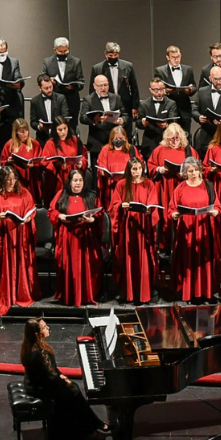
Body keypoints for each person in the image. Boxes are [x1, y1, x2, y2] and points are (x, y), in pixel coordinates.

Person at [20, 318, 110, 440]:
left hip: (33, 383)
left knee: (73, 388)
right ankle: (89, 428)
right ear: (37, 334)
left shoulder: (29, 347)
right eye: (44, 327)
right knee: (74, 391)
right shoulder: (40, 353)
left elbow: (49, 371)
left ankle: (93, 423)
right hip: (40, 388)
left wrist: (61, 376)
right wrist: (64, 381)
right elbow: (50, 378)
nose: (48, 328)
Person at [0, 166, 41, 316]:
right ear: (2, 180)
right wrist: (0, 216)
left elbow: (32, 209)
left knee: (21, 264)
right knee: (6, 266)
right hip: (5, 237)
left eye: (14, 178)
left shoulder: (24, 192)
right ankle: (7, 294)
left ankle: (21, 293)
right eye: (8, 179)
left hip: (20, 235)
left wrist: (28, 218)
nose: (11, 182)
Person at [169, 157, 221, 303]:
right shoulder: (180, 188)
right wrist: (175, 214)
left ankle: (206, 291)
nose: (193, 174)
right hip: (187, 231)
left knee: (204, 260)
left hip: (204, 229)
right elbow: (172, 208)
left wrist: (215, 212)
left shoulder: (208, 186)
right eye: (190, 171)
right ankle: (190, 292)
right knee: (189, 261)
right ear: (185, 172)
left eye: (196, 170)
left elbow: (217, 206)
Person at [49, 170, 102, 306]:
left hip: (85, 237)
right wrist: (60, 216)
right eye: (75, 180)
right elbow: (51, 211)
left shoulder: (91, 197)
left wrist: (92, 220)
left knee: (86, 266)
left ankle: (85, 296)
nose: (78, 183)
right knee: (68, 266)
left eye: (80, 180)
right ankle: (70, 295)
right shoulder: (62, 194)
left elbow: (100, 215)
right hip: (68, 236)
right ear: (70, 182)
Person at [110, 158, 158, 304]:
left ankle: (143, 293)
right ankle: (128, 293)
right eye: (134, 169)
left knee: (143, 258)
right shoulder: (122, 184)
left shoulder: (149, 184)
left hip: (143, 227)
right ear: (129, 170)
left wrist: (149, 210)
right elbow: (113, 205)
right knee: (128, 258)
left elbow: (153, 203)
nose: (137, 172)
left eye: (139, 168)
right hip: (128, 227)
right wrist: (121, 206)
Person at [147, 123, 199, 250]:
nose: (175, 141)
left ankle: (183, 243)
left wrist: (185, 174)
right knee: (165, 216)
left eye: (177, 138)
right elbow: (150, 165)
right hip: (165, 187)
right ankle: (165, 245)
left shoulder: (189, 151)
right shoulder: (159, 150)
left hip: (183, 187)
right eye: (171, 138)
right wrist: (158, 169)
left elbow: (197, 168)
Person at [89, 41, 140, 128]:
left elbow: (134, 88)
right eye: (111, 56)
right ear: (106, 54)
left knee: (126, 132)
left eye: (115, 55)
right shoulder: (97, 68)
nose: (113, 57)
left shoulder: (128, 66)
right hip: (106, 105)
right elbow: (92, 90)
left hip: (125, 105)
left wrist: (135, 107)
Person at [40, 116, 87, 209]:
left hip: (73, 174)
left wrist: (81, 162)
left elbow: (83, 155)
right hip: (58, 179)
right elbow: (44, 163)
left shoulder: (74, 140)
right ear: (55, 130)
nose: (63, 132)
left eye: (65, 128)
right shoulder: (51, 143)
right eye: (60, 130)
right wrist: (56, 164)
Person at [40, 36, 85, 131]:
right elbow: (42, 78)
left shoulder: (76, 62)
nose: (63, 53)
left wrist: (73, 87)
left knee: (71, 129)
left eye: (66, 51)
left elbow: (81, 82)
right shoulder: (47, 62)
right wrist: (49, 80)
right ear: (54, 50)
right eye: (60, 51)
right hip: (54, 101)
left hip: (71, 101)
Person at [96, 127, 143, 212]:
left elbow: (140, 164)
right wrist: (104, 173)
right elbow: (100, 166)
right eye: (116, 138)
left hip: (127, 186)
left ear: (125, 138)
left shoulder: (131, 149)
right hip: (112, 187)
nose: (118, 140)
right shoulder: (105, 150)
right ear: (111, 138)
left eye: (121, 138)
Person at [80, 74, 128, 154]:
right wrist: (95, 119)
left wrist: (122, 120)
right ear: (94, 86)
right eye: (100, 86)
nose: (103, 88)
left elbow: (125, 115)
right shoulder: (88, 99)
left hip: (114, 140)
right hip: (97, 140)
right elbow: (82, 117)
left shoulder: (116, 98)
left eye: (105, 85)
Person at [154, 44, 197, 134]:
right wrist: (166, 91)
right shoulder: (160, 71)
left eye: (178, 57)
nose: (177, 60)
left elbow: (194, 86)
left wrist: (190, 90)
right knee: (169, 135)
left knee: (185, 136)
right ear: (167, 57)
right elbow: (157, 89)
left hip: (184, 109)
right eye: (173, 57)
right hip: (168, 108)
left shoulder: (188, 69)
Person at [0, 118, 42, 205]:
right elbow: (2, 162)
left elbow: (41, 161)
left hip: (31, 179)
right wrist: (8, 161)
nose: (25, 133)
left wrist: (34, 165)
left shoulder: (34, 144)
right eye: (21, 131)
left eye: (26, 130)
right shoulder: (10, 145)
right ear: (16, 132)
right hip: (16, 179)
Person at [138, 77, 180, 158]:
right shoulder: (144, 104)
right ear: (151, 90)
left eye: (161, 89)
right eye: (156, 90)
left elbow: (173, 122)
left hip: (166, 140)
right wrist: (143, 123)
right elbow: (138, 123)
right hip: (149, 141)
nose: (159, 92)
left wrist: (167, 126)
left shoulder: (171, 103)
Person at [29, 74, 70, 145]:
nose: (49, 90)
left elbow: (65, 116)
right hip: (42, 139)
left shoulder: (60, 98)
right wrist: (39, 126)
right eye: (46, 88)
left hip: (59, 138)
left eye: (51, 87)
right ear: (39, 88)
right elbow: (33, 121)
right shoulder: (35, 101)